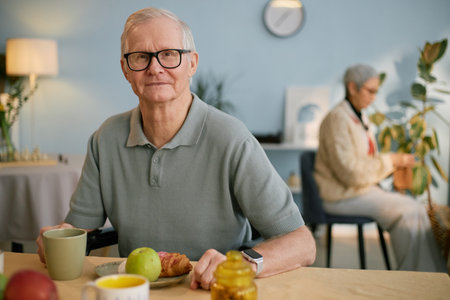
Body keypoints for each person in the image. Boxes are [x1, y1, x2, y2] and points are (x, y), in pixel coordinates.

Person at [36, 7, 316, 290]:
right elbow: (80, 230)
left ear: (192, 63)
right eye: (141, 57)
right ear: (125, 69)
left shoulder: (232, 138)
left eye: (169, 54)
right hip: (135, 291)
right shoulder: (105, 138)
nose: (154, 68)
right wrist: (59, 235)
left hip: (213, 290)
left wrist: (241, 265)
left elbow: (302, 243)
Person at [314, 63, 447, 272]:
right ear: (352, 87)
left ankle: (430, 276)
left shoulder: (359, 117)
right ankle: (417, 277)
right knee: (410, 211)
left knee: (416, 210)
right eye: (370, 91)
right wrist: (391, 160)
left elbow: (365, 161)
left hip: (359, 191)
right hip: (341, 196)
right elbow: (350, 174)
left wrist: (391, 161)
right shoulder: (337, 119)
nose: (374, 97)